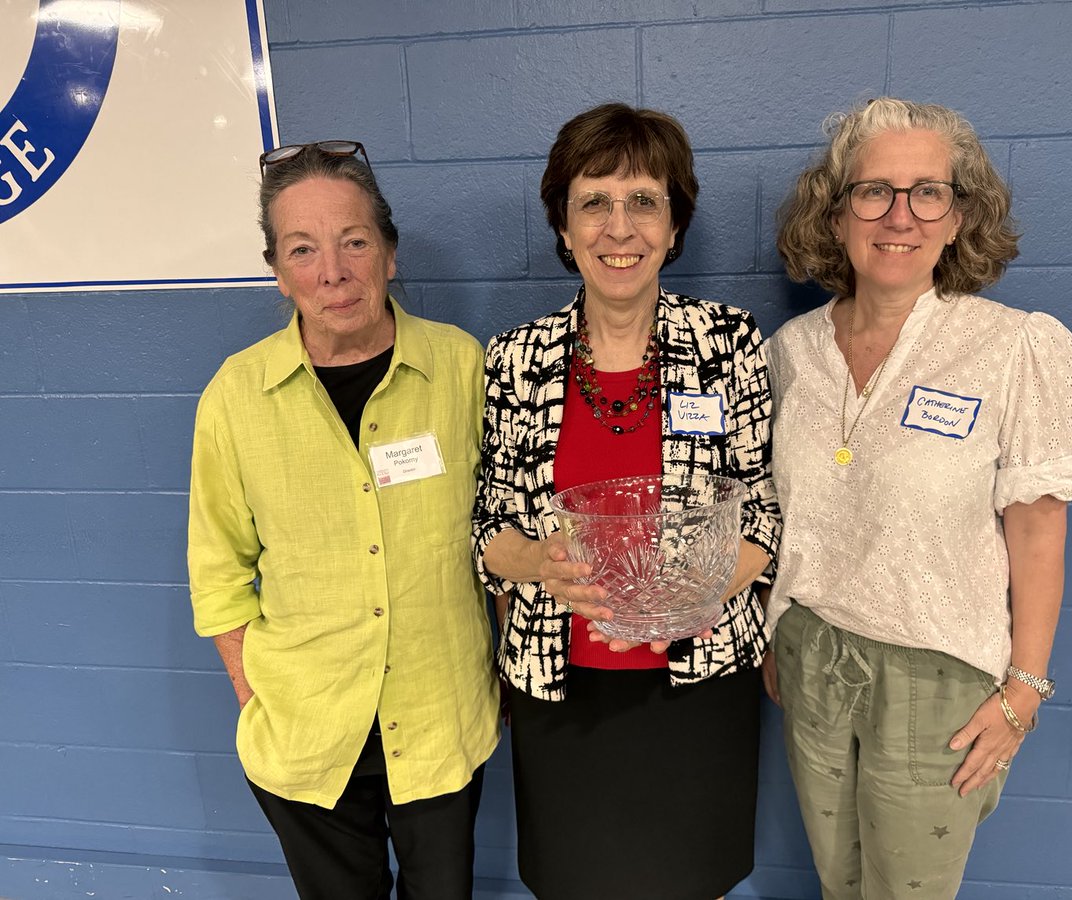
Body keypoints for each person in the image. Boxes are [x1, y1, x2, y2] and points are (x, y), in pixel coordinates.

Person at [765, 98, 1072, 899]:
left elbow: (1039, 532)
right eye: (873, 191)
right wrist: (778, 636)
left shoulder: (1015, 348)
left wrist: (1025, 690)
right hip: (809, 656)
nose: (899, 215)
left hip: (937, 677)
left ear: (959, 218)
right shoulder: (791, 353)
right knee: (837, 881)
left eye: (928, 193)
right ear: (836, 213)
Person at [472, 103, 780, 900]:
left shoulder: (728, 343)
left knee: (691, 878)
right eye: (594, 202)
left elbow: (764, 514)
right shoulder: (514, 359)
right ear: (563, 225)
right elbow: (487, 526)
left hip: (698, 681)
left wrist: (688, 597)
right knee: (576, 880)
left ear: (674, 227)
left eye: (644, 201)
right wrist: (537, 561)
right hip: (561, 685)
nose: (620, 227)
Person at [187, 140, 498, 900]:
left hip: (439, 721)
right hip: (306, 732)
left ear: (389, 253)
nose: (333, 271)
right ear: (278, 271)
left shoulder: (462, 368)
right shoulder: (236, 396)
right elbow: (219, 571)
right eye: (303, 249)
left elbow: (501, 533)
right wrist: (254, 692)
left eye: (354, 241)